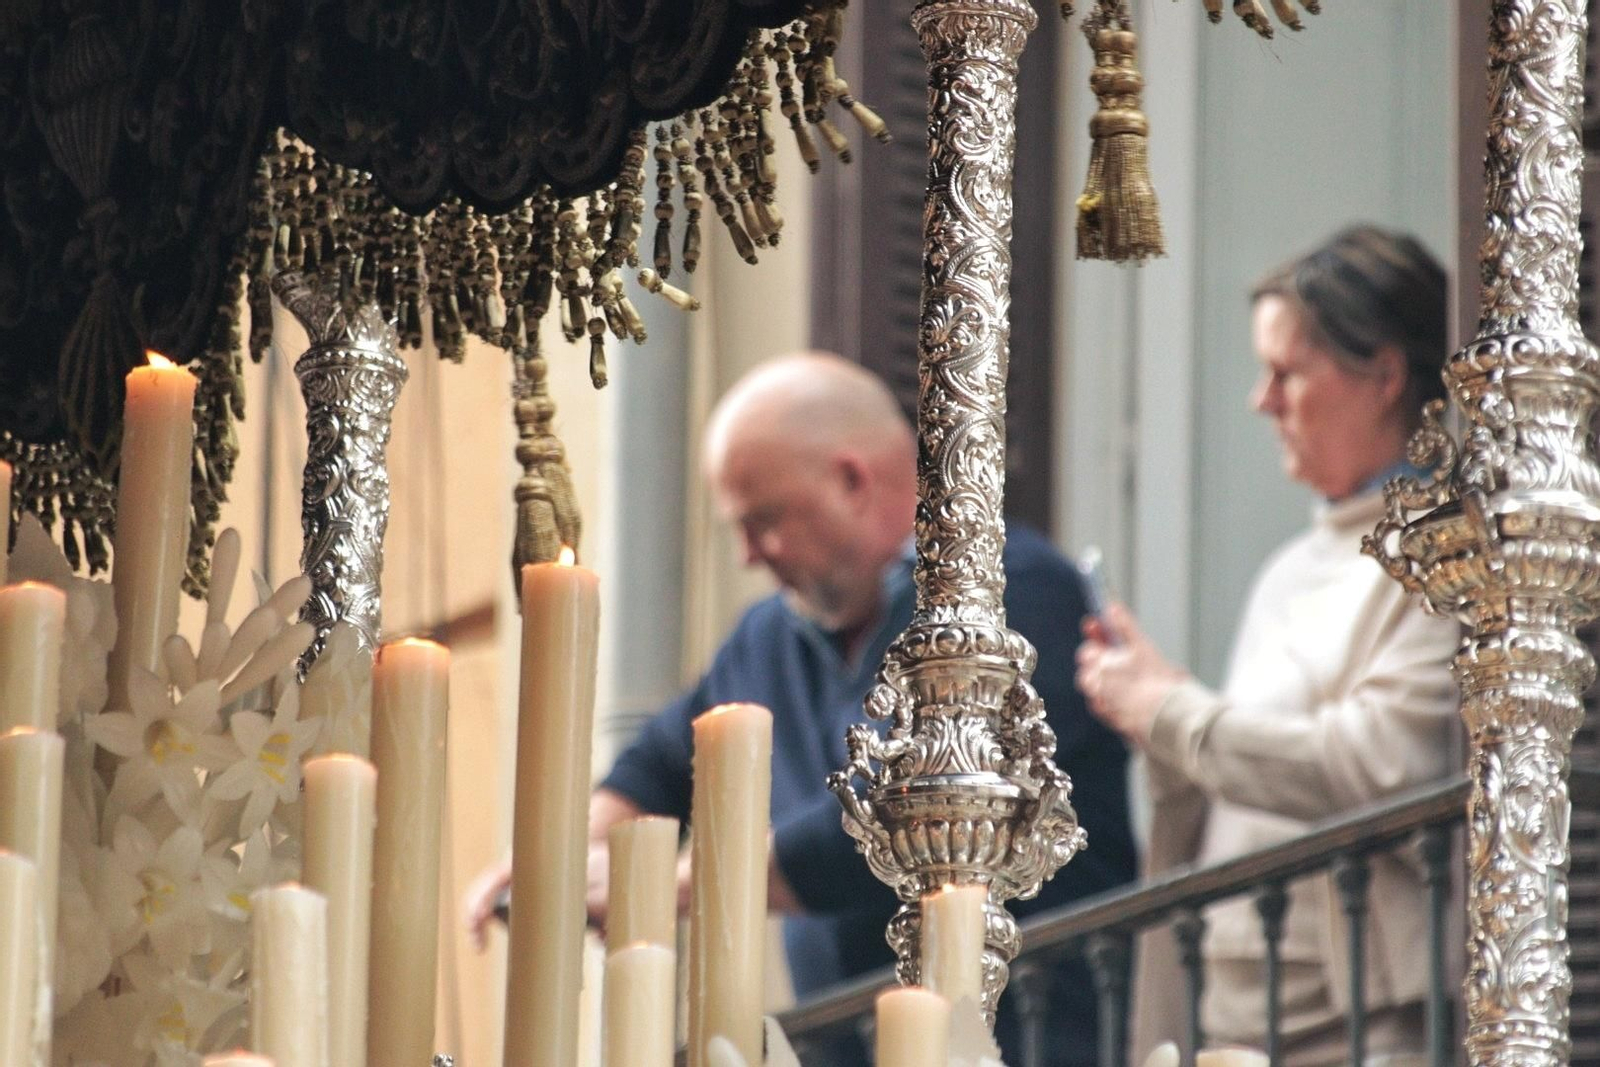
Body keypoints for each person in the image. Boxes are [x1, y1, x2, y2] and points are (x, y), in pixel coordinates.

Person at [466, 351, 1136, 1065]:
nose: (750, 555)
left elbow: (911, 806)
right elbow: (660, 766)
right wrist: (564, 856)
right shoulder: (770, 636)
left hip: (1023, 1041)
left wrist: (663, 884)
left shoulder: (1011, 593)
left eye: (764, 520)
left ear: (852, 480)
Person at [1075, 226, 1460, 1067]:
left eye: (1286, 373)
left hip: (1361, 1030)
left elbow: (1377, 766)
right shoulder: (1286, 570)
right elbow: (1248, 783)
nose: (1262, 401)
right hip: (1233, 1020)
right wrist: (1157, 718)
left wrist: (1175, 712)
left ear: (1384, 376)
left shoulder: (1448, 552)